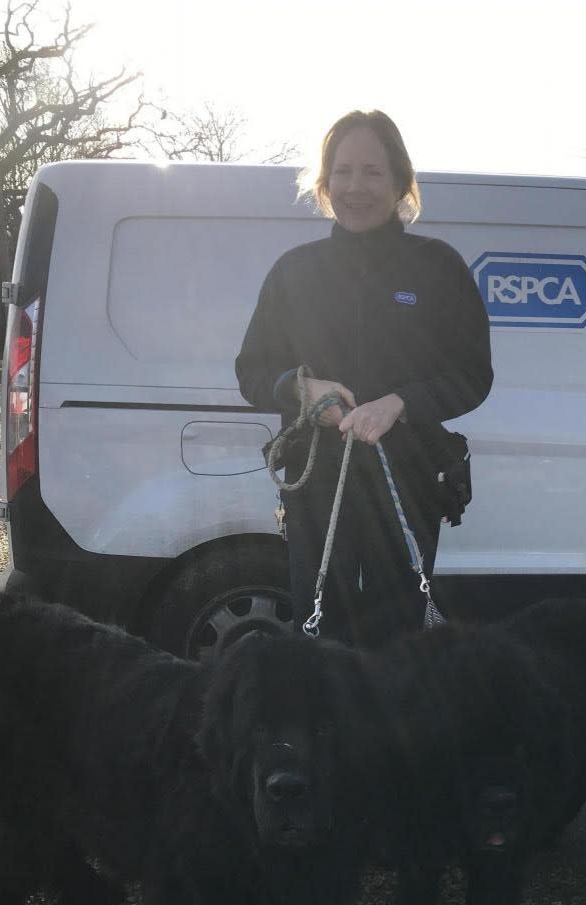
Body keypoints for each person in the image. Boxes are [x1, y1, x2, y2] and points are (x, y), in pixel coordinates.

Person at [235, 109, 493, 645]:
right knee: (318, 623)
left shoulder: (438, 267)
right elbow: (252, 371)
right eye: (344, 171)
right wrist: (301, 390)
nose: (356, 186)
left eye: (373, 171)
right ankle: (326, 726)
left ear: (401, 181)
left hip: (410, 479)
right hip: (317, 482)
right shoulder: (294, 271)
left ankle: (389, 723)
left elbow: (473, 375)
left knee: (400, 629)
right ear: (325, 183)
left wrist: (400, 402)